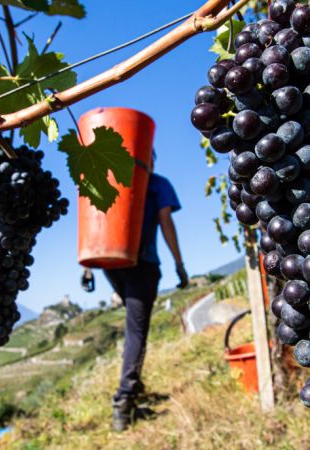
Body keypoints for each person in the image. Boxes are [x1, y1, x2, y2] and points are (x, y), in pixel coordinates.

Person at [102, 150, 188, 431]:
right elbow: (166, 222)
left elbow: (97, 219)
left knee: (133, 324)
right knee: (136, 331)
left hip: (110, 262)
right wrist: (179, 264)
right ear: (151, 160)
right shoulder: (158, 183)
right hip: (143, 264)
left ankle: (132, 390)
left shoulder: (113, 181)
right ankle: (124, 402)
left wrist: (87, 268)